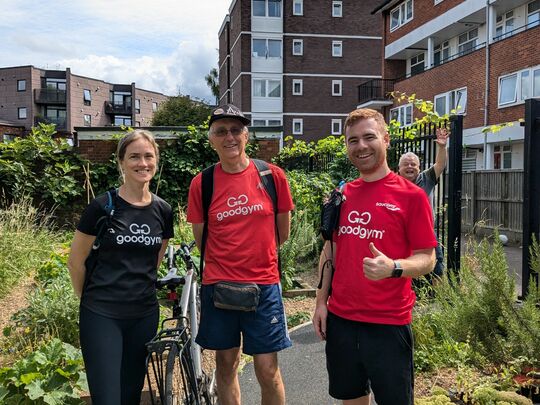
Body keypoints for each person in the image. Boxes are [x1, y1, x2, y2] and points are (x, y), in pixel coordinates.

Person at [312, 108, 437, 405]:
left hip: (388, 324)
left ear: (386, 139)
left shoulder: (411, 196)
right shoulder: (341, 195)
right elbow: (330, 250)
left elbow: (428, 258)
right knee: (351, 399)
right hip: (342, 321)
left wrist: (393, 267)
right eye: (353, 140)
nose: (361, 146)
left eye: (369, 137)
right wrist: (320, 302)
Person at [187, 104, 294, 405]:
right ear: (211, 140)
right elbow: (202, 241)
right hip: (220, 286)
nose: (229, 137)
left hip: (264, 284)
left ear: (247, 136)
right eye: (221, 131)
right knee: (225, 364)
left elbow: (280, 234)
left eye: (236, 130)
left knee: (267, 369)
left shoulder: (272, 176)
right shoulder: (202, 183)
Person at [68, 130, 174, 405]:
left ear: (156, 160)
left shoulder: (163, 210)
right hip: (103, 314)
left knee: (130, 395)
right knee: (107, 399)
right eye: (134, 157)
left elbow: (155, 260)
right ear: (121, 162)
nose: (143, 163)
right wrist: (89, 299)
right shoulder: (103, 207)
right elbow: (76, 261)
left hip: (144, 315)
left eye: (148, 156)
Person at [398, 127, 450, 281]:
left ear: (419, 167)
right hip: (401, 232)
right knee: (405, 266)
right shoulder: (394, 183)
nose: (410, 167)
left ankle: (439, 299)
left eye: (413, 164)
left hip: (426, 232)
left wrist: (441, 147)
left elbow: (440, 164)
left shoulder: (426, 178)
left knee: (437, 265)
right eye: (406, 164)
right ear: (399, 168)